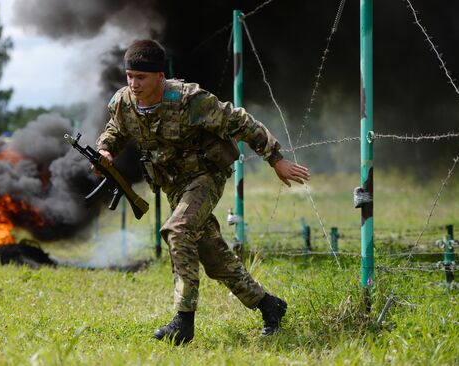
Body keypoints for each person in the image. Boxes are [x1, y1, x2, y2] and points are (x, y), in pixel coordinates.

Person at [94, 40, 310, 345]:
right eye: (129, 76)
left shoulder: (190, 100)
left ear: (160, 76)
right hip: (173, 184)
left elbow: (239, 121)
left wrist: (275, 159)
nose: (134, 84)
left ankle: (183, 321)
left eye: (141, 77)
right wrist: (105, 149)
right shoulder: (123, 102)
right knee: (212, 255)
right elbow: (117, 128)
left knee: (178, 230)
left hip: (205, 174)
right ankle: (269, 305)